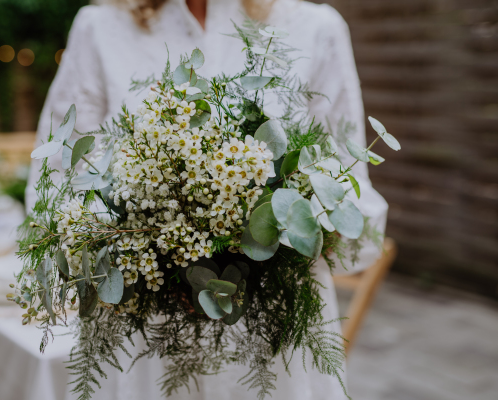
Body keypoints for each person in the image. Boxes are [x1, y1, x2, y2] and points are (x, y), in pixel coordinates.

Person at [26, 0, 388, 399]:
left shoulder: (316, 28)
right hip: (145, 338)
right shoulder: (100, 27)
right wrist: (155, 251)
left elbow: (348, 187)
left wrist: (267, 241)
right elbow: (56, 186)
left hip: (273, 335)